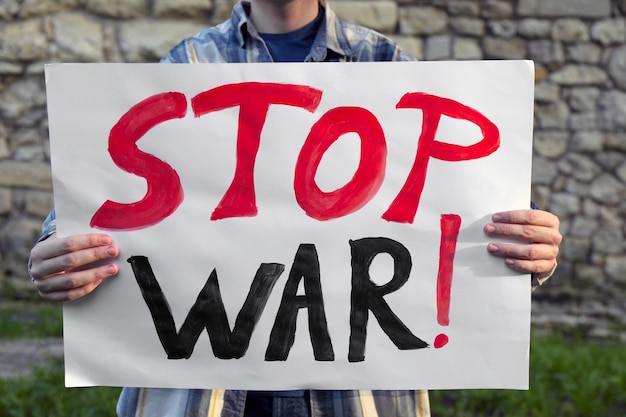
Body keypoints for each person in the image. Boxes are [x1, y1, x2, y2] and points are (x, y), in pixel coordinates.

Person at [28, 0, 562, 415]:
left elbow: (476, 202)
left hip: (361, 397)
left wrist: (528, 246)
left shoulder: (387, 65)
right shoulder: (190, 65)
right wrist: (59, 249)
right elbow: (104, 194)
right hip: (207, 395)